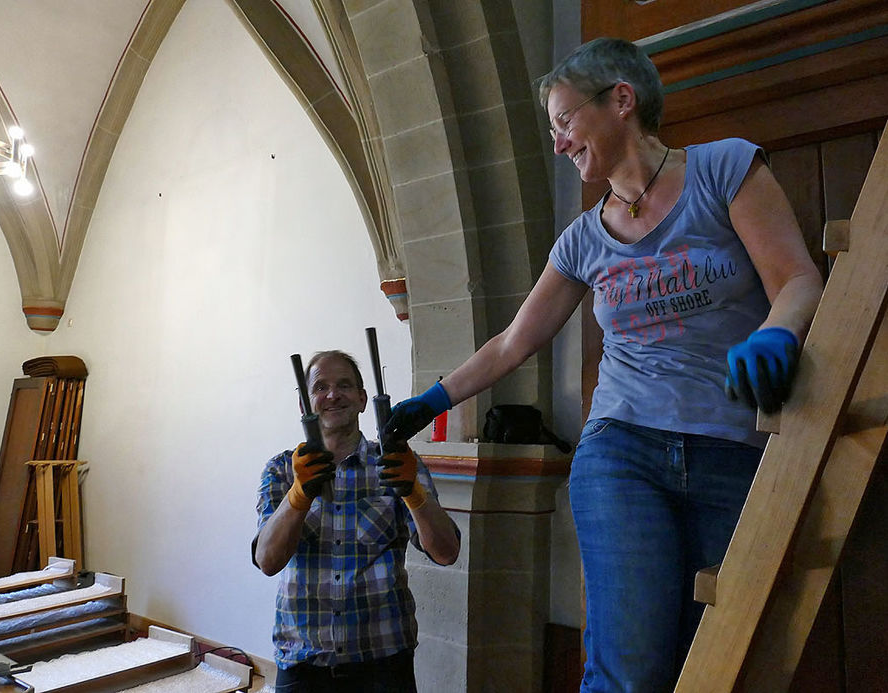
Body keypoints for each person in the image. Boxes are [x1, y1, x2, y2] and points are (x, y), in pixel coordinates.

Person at [384, 38, 823, 692]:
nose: (559, 142)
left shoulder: (725, 168)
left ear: (621, 99)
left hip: (735, 449)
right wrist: (433, 399)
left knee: (720, 661)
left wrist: (777, 333)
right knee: (630, 669)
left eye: (564, 121)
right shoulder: (584, 239)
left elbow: (798, 279)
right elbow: (512, 343)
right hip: (623, 449)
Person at [252, 350, 460, 693]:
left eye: (344, 385)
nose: (332, 395)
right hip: (303, 662)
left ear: (363, 399)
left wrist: (414, 494)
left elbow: (446, 552)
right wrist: (298, 495)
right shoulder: (281, 470)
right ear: (305, 405)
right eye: (320, 387)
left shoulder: (397, 463)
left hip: (383, 663)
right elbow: (268, 560)